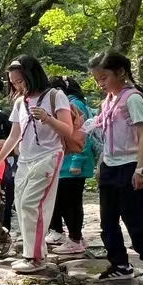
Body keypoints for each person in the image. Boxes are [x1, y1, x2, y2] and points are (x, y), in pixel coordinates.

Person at [84, 51, 143, 284]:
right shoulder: (108, 101)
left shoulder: (132, 99)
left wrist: (141, 169)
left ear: (120, 72)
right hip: (110, 166)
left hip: (132, 165)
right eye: (97, 80)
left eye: (104, 78)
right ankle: (120, 264)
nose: (100, 84)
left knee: (136, 220)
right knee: (107, 221)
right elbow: (106, 135)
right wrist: (102, 163)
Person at [0, 56, 74, 273]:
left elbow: (68, 130)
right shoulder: (20, 102)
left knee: (32, 205)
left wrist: (48, 118)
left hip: (48, 155)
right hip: (25, 159)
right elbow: (14, 136)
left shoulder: (55, 96)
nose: (17, 86)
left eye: (20, 81)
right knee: (20, 205)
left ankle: (36, 258)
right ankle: (33, 253)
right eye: (14, 83)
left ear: (32, 75)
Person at [46, 76, 94, 256]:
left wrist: (77, 161)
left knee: (71, 203)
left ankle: (75, 239)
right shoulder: (72, 103)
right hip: (65, 164)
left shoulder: (75, 105)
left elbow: (82, 136)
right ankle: (73, 237)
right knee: (65, 201)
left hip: (73, 164)